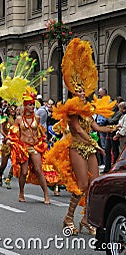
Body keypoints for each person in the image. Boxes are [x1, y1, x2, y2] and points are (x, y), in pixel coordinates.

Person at [46, 38, 117, 235]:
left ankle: (86, 219)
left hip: (90, 148)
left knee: (94, 184)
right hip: (77, 147)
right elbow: (78, 130)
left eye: (83, 90)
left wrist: (110, 129)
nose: (82, 93)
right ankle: (68, 218)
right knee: (82, 184)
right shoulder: (71, 111)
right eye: (78, 91)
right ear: (73, 93)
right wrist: (94, 141)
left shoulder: (87, 109)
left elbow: (93, 125)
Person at [0, 52, 56, 204]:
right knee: (23, 171)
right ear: (24, 106)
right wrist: (10, 141)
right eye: (29, 105)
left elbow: (41, 132)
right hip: (23, 148)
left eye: (32, 104)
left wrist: (44, 141)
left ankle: (45, 195)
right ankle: (21, 192)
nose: (31, 107)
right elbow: (12, 133)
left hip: (34, 147)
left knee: (39, 169)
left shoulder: (36, 118)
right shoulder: (18, 119)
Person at [0, 104, 17, 189]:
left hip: (15, 143)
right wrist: (6, 136)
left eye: (14, 109)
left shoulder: (18, 119)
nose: (13, 111)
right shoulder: (5, 118)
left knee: (15, 162)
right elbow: (1, 129)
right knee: (4, 163)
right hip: (6, 143)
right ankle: (0, 174)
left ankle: (8, 179)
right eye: (11, 109)